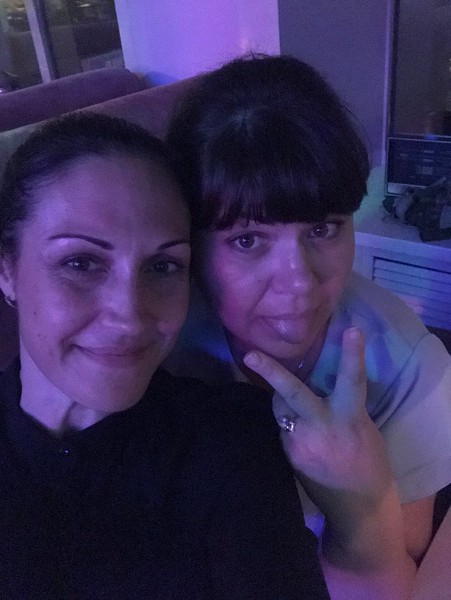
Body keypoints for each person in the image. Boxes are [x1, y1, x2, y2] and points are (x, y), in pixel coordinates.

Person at [0, 112, 331, 599]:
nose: (130, 316)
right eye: (81, 263)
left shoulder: (230, 442)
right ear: (7, 270)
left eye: (162, 266)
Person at [165, 54, 451, 594]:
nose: (300, 283)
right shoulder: (158, 340)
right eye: (248, 240)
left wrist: (360, 506)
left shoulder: (409, 369)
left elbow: (397, 574)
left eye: (322, 229)